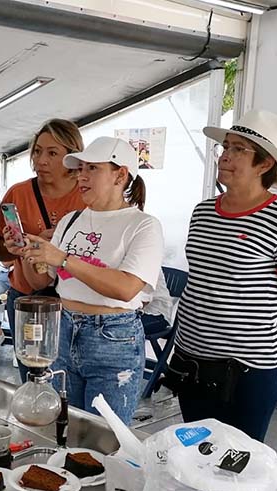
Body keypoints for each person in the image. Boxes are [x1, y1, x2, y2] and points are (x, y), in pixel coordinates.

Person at [171, 109, 277, 442]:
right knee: (195, 453)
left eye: (239, 149)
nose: (225, 156)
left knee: (238, 464)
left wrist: (251, 313)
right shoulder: (204, 211)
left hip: (248, 368)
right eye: (226, 146)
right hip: (191, 357)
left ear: (265, 165)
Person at [18, 137, 164, 424]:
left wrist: (62, 258)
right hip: (62, 328)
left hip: (113, 338)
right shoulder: (71, 220)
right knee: (64, 427)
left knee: (103, 437)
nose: (81, 176)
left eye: (92, 169)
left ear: (120, 175)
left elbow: (125, 288)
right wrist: (27, 252)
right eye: (80, 169)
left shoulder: (143, 225)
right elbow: (41, 281)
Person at [0, 119, 86, 383]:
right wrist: (15, 248)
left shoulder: (87, 194)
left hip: (73, 304)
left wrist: (57, 243)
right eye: (37, 151)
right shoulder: (18, 193)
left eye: (52, 153)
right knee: (33, 379)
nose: (41, 160)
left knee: (67, 381)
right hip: (27, 300)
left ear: (72, 157)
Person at [141, 269, 173, 336]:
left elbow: (143, 301)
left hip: (158, 316)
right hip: (141, 312)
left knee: (122, 328)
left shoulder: (148, 264)